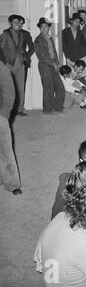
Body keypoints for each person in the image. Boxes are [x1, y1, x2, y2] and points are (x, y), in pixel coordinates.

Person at [0, 47, 22, 195]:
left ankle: (12, 183)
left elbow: (10, 93)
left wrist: (4, 115)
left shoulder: (1, 68)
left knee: (5, 150)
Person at [34, 18, 65, 114]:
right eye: (42, 27)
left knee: (60, 88)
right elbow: (42, 55)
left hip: (54, 65)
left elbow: (54, 52)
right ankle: (47, 110)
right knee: (48, 88)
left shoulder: (50, 38)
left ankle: (58, 108)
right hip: (45, 65)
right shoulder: (38, 40)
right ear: (40, 28)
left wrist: (57, 63)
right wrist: (53, 64)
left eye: (46, 27)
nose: (44, 29)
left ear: (48, 28)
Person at [0, 15, 26, 116]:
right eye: (15, 22)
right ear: (10, 23)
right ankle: (8, 111)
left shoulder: (22, 35)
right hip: (9, 64)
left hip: (20, 64)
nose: (18, 24)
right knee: (9, 88)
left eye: (19, 22)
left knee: (20, 87)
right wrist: (3, 63)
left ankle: (19, 110)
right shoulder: (5, 34)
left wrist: (24, 57)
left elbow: (21, 48)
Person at [17, 16, 34, 102]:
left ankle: (19, 108)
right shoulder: (7, 33)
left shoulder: (25, 33)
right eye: (17, 22)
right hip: (10, 63)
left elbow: (32, 47)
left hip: (22, 62)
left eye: (21, 23)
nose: (20, 25)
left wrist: (27, 56)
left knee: (21, 85)